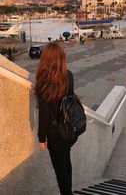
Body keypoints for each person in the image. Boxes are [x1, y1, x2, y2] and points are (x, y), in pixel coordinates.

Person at [35, 42, 75, 195]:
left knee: (60, 170)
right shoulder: (68, 75)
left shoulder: (44, 82)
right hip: (69, 128)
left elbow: (44, 113)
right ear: (61, 58)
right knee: (66, 161)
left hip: (54, 133)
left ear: (46, 59)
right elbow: (68, 102)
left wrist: (41, 138)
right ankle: (69, 190)